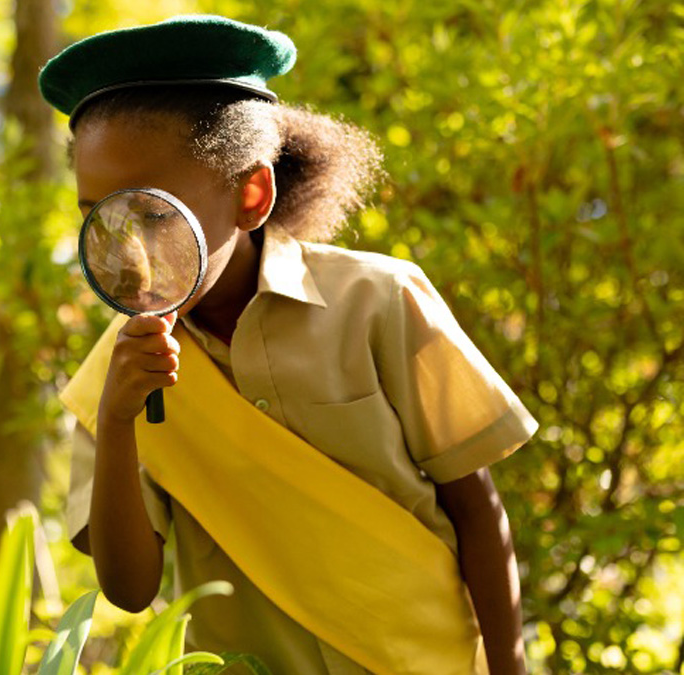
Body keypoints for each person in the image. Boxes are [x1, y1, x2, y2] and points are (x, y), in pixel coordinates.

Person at [39, 14, 538, 675]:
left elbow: (476, 508)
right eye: (98, 216)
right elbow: (129, 590)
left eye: (155, 212)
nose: (128, 245)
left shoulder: (380, 302)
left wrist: (509, 666)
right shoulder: (114, 372)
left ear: (251, 193)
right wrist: (118, 417)